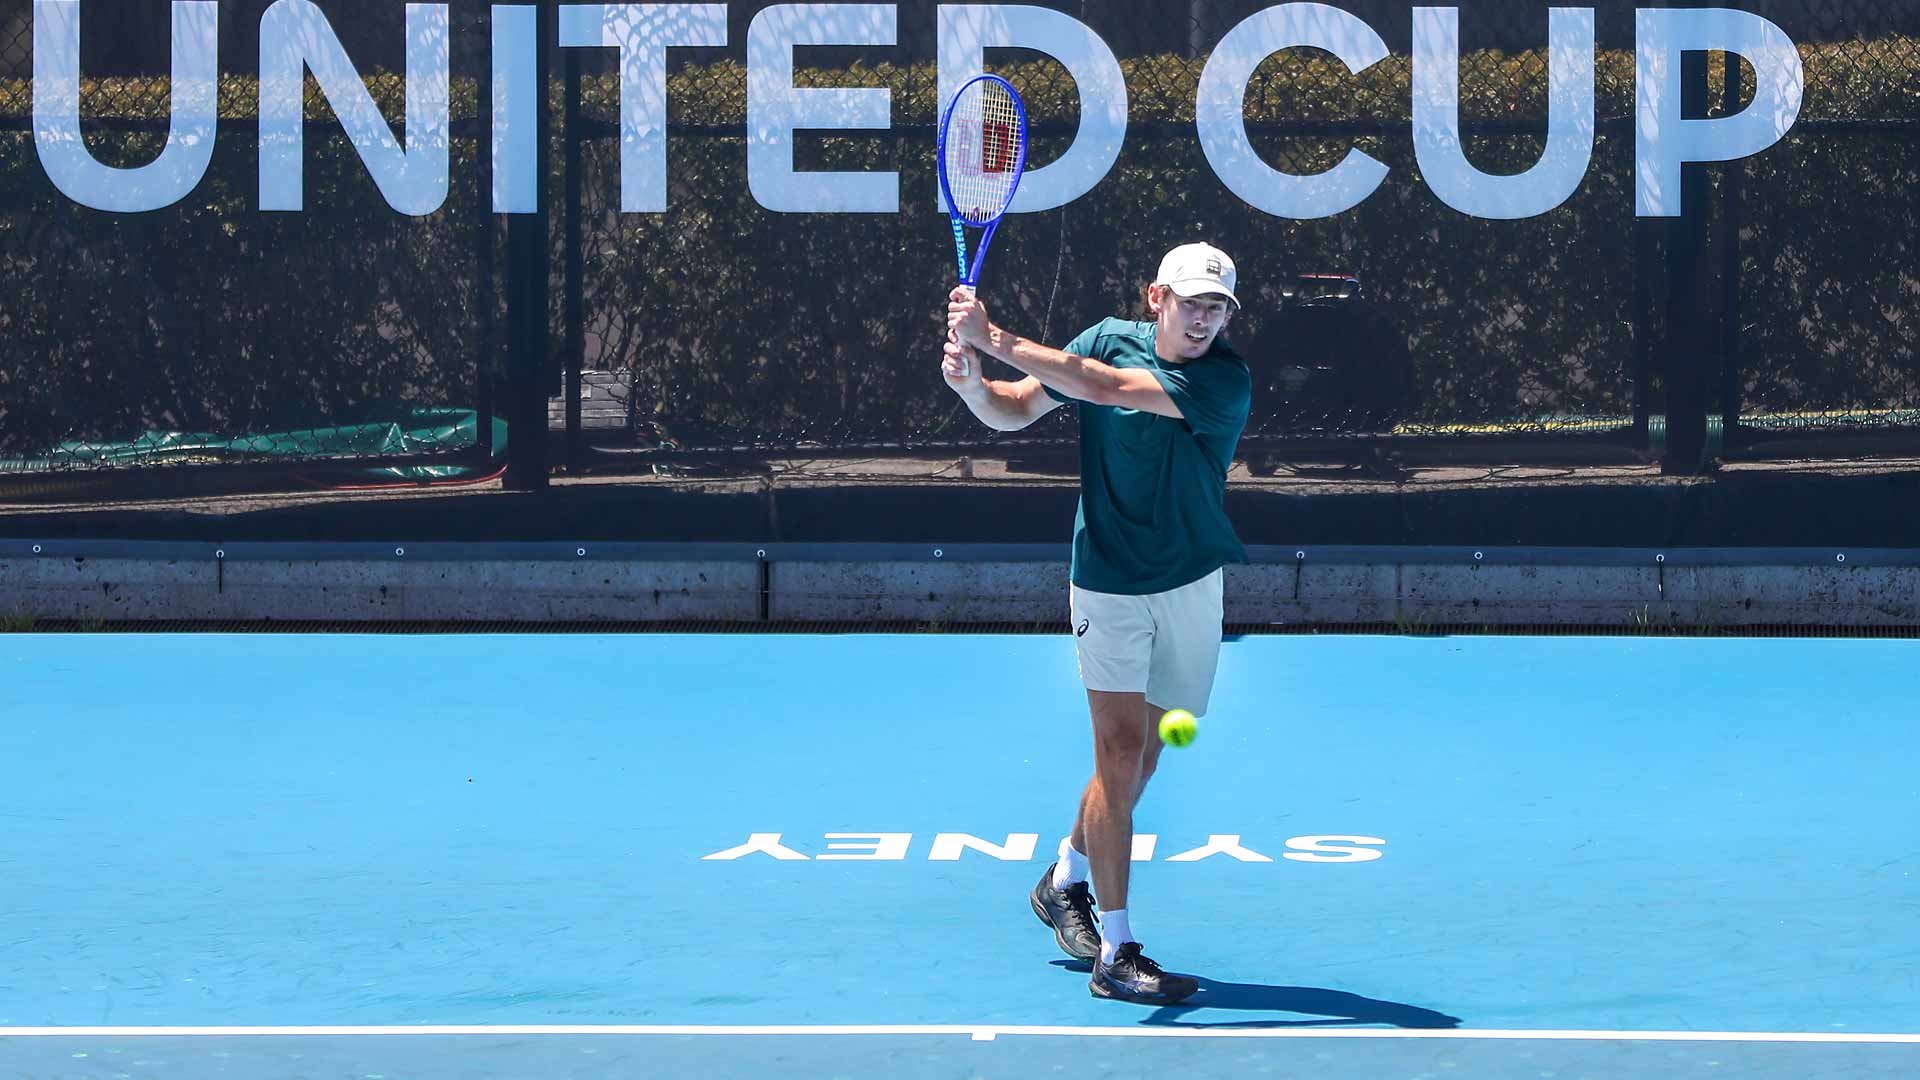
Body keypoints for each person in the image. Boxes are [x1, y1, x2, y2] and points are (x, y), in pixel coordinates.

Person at [942, 242, 1252, 1005]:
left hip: (1189, 583)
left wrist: (997, 337)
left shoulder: (1223, 381)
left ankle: (1063, 878)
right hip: (1107, 580)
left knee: (1144, 762)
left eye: (1218, 305)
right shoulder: (1101, 336)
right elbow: (1014, 410)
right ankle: (1116, 951)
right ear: (1157, 298)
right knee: (1117, 754)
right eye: (1192, 301)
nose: (1205, 316)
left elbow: (1108, 387)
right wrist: (973, 385)